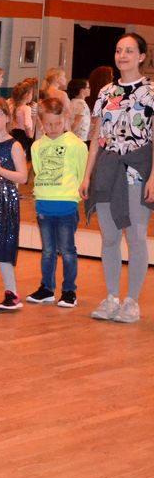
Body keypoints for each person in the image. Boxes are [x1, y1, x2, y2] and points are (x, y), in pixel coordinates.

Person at [82, 33, 154, 323]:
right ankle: (111, 297)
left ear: (141, 56)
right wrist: (87, 175)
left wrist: (153, 178)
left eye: (129, 51)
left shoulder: (151, 92)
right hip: (107, 170)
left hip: (137, 172)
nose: (122, 55)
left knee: (136, 237)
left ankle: (131, 301)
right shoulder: (106, 92)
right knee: (110, 237)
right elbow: (96, 137)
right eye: (118, 50)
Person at [29, 97, 87, 308]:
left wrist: (74, 195)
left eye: (57, 123)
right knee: (48, 251)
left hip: (66, 205)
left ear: (65, 119)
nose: (53, 128)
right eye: (48, 124)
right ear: (41, 123)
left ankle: (69, 291)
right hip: (44, 205)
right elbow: (39, 171)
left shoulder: (76, 145)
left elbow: (82, 173)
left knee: (67, 250)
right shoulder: (37, 146)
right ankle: (47, 288)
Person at [0, 97, 28, 310]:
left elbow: (23, 177)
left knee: (2, 243)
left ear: (7, 117)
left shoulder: (14, 145)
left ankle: (11, 292)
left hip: (5, 200)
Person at [9, 78, 36, 156]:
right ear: (26, 95)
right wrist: (30, 136)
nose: (32, 96)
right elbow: (27, 124)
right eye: (31, 94)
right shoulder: (26, 108)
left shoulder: (11, 107)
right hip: (23, 136)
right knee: (23, 156)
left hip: (12, 134)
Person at [40, 67, 71, 132]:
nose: (66, 79)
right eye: (64, 76)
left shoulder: (43, 92)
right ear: (57, 78)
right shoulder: (62, 94)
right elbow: (67, 114)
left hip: (46, 126)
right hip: (59, 127)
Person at [67, 78, 91, 143]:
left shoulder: (72, 101)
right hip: (79, 137)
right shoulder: (81, 103)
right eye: (88, 87)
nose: (90, 89)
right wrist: (70, 133)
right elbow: (77, 121)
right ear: (82, 90)